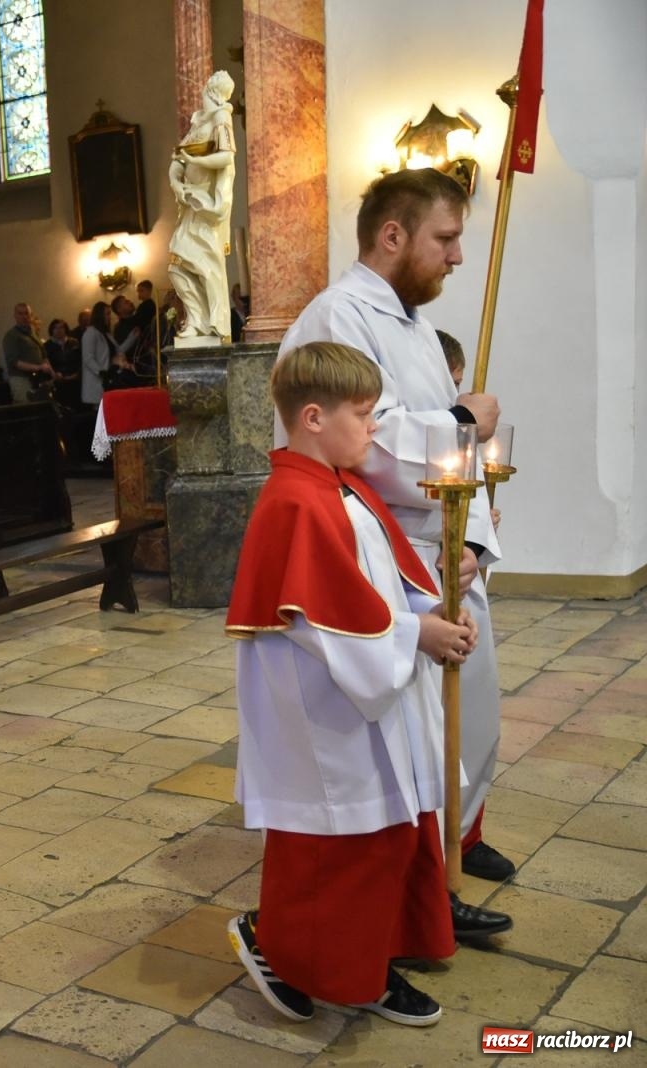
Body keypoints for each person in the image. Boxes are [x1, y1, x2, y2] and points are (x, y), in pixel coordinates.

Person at [278, 166, 518, 897]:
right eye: (444, 238)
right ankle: (427, 878)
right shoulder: (337, 317)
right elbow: (365, 442)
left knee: (471, 716)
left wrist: (473, 543)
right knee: (414, 738)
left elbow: (460, 460)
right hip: (390, 559)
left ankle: (456, 839)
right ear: (393, 235)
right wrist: (459, 421)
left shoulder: (413, 328)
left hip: (445, 554)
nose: (456, 256)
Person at [226, 341, 473, 1028]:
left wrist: (433, 612)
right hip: (323, 709)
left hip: (361, 695)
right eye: (364, 414)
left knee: (386, 833)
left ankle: (369, 959)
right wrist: (413, 636)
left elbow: (378, 579)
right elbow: (323, 619)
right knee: (341, 846)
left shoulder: (341, 484)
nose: (373, 428)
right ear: (312, 416)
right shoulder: (295, 502)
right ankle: (296, 953)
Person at [168, 70, 237, 341]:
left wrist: (195, 161)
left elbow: (225, 157)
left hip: (205, 205)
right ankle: (196, 320)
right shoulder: (197, 124)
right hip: (189, 202)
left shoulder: (221, 116)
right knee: (176, 265)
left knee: (204, 264)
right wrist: (176, 183)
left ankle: (215, 324)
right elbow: (177, 160)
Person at [3, 302, 51, 403]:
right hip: (21, 379)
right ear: (15, 316)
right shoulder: (11, 336)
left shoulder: (33, 333)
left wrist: (51, 372)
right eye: (20, 314)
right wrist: (38, 368)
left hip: (38, 379)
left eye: (26, 313)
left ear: (30, 315)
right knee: (25, 407)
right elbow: (14, 362)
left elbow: (44, 355)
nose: (24, 316)